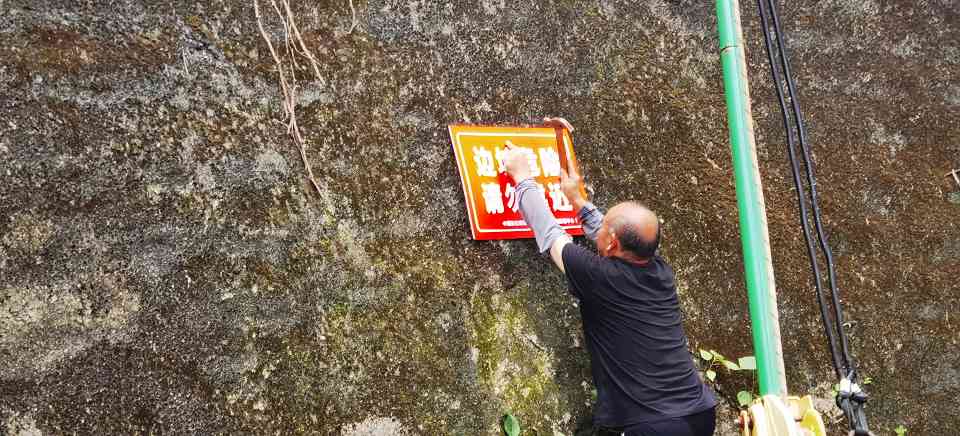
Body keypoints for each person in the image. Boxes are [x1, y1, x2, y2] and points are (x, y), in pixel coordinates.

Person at [501, 118, 717, 436]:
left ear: (612, 242)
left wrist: (522, 178)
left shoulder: (600, 276)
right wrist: (576, 200)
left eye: (603, 230)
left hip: (650, 424)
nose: (597, 229)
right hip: (699, 412)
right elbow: (610, 230)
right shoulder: (659, 271)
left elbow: (550, 235)